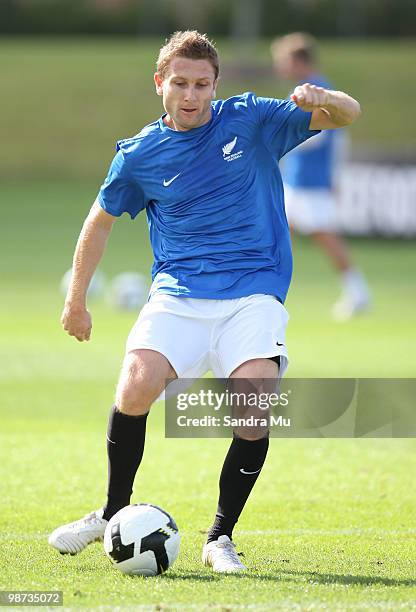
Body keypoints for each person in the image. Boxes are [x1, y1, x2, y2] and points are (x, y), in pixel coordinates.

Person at [48, 30, 361, 572]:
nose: (191, 95)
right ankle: (113, 511)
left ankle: (220, 537)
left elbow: (349, 114)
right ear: (159, 84)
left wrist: (325, 100)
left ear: (215, 85)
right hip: (178, 295)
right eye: (180, 83)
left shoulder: (251, 119)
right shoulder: (140, 154)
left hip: (253, 293)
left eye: (202, 85)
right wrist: (76, 300)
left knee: (254, 402)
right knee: (136, 385)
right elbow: (97, 222)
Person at [271, 32, 370, 320]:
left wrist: (333, 176)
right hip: (295, 180)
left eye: (283, 61)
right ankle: (264, 289)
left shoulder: (318, 90)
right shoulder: (304, 89)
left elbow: (327, 136)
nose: (280, 67)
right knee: (274, 230)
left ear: (299, 61)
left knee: (325, 237)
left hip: (311, 181)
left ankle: (358, 290)